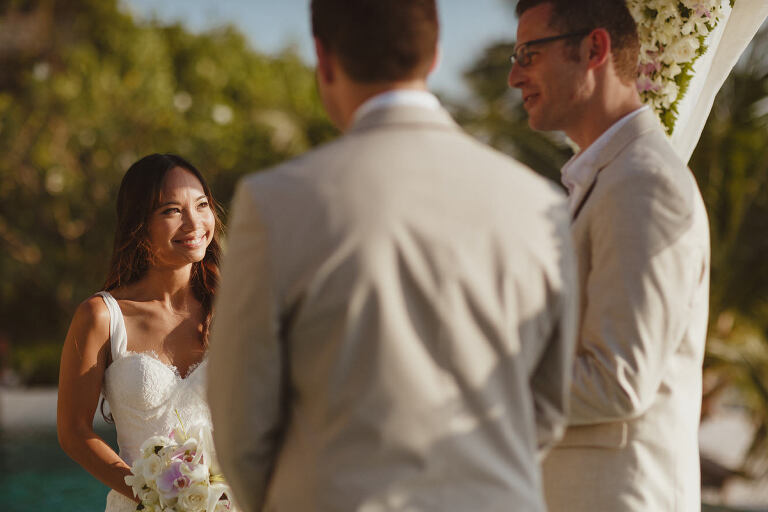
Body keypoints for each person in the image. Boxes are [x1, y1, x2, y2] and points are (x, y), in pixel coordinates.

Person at [207, 1, 578, 511]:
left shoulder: (276, 202)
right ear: (435, 53)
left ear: (324, 57)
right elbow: (548, 406)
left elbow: (238, 421)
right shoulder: (541, 205)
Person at [508, 1, 710, 511]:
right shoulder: (608, 177)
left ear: (594, 48)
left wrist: (472, 376)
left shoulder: (644, 182)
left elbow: (619, 379)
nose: (514, 76)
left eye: (528, 54)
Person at [57, 153, 223, 511]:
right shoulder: (101, 316)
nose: (194, 222)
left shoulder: (236, 307)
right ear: (139, 222)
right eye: (171, 211)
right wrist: (158, 497)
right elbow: (73, 431)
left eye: (202, 204)